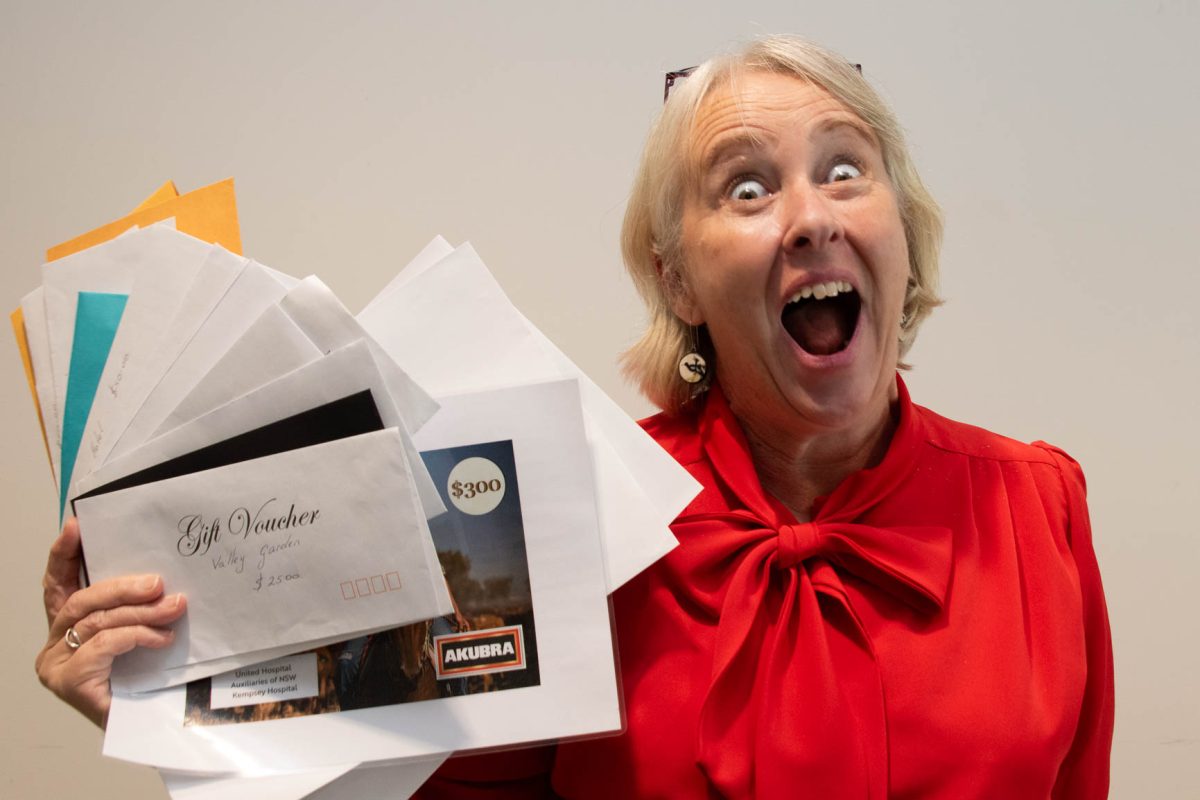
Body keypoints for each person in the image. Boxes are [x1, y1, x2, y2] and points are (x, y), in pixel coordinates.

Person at [36, 35, 1113, 799]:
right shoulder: (577, 519)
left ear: (904, 230)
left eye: (845, 169)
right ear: (677, 278)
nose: (809, 217)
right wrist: (164, 707)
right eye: (745, 188)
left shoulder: (1037, 505)